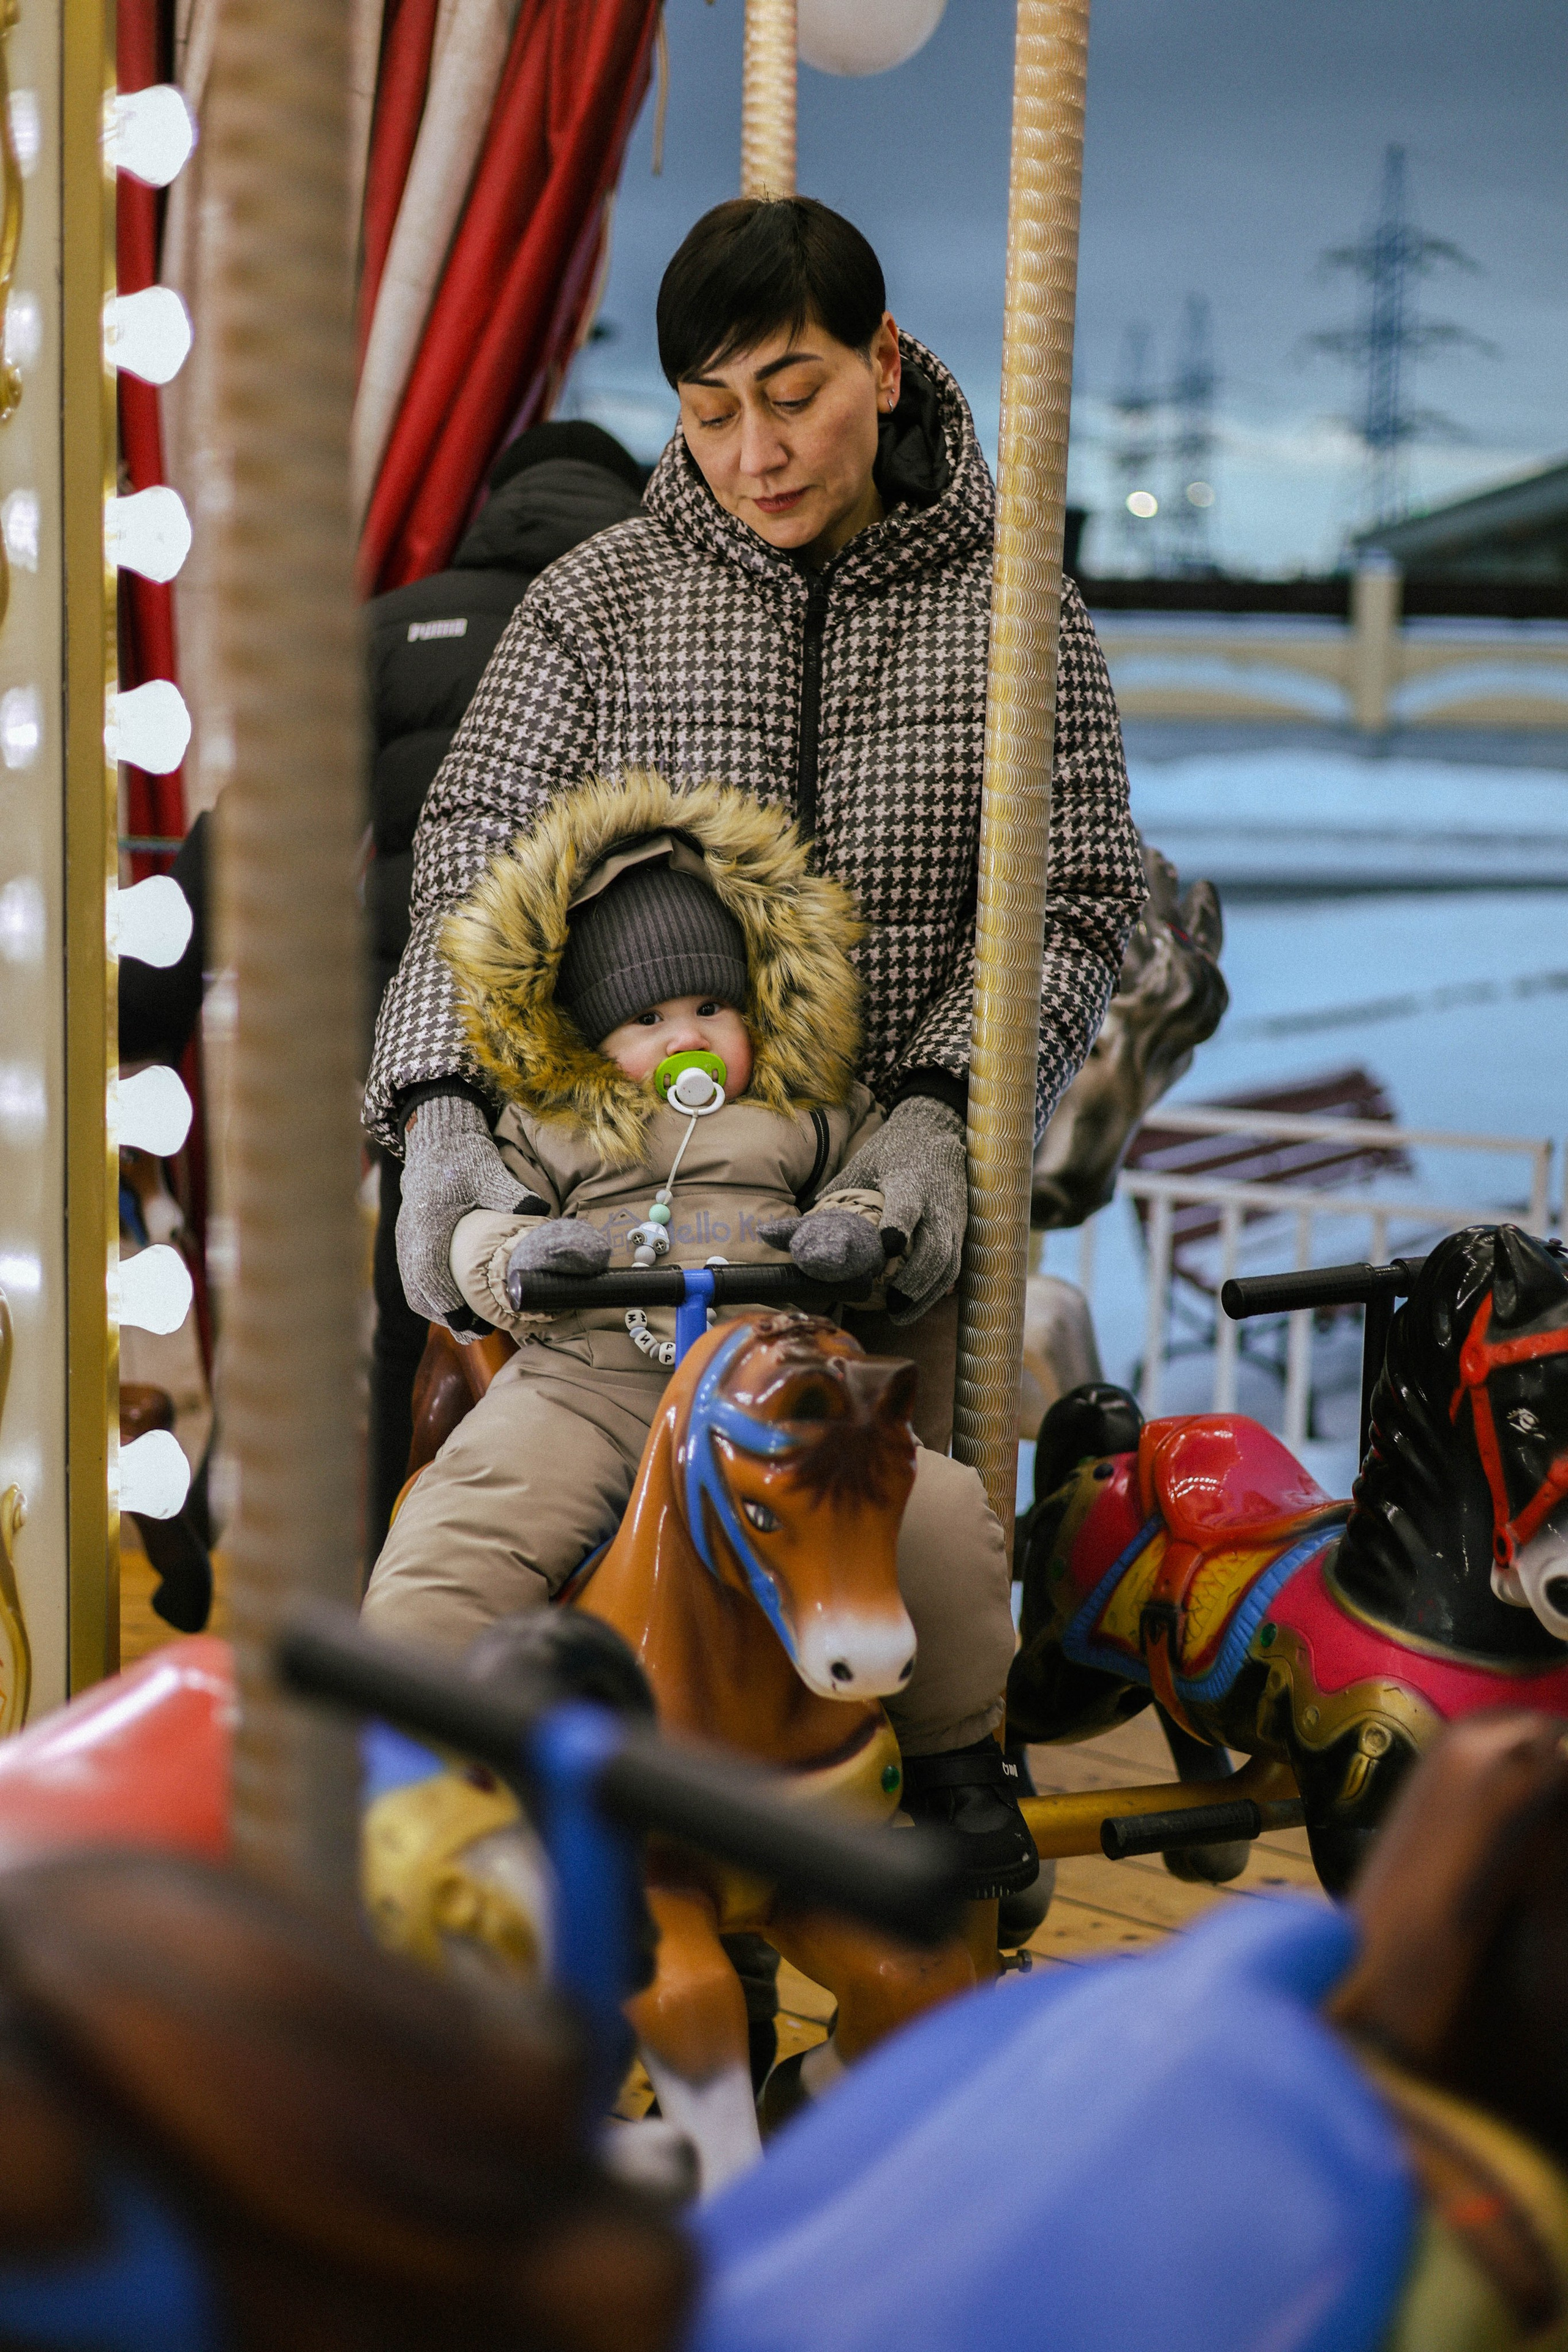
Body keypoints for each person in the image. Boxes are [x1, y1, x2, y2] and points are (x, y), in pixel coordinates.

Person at [364, 195, 1146, 1458]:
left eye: (791, 396)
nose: (755, 455)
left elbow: (1080, 899)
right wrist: (441, 1108)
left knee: (907, 1585)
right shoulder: (594, 603)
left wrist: (942, 1110)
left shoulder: (1018, 613)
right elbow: (470, 848)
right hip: (632, 1229)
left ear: (882, 363)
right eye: (711, 412)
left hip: (892, 1243)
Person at [362, 776, 1031, 1899]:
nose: (688, 1037)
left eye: (712, 1011)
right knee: (463, 1528)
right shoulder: (553, 1121)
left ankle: (957, 1758)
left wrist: (855, 1231)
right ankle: (415, 1761)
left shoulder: (810, 1105)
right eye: (648, 1020)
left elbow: (876, 1179)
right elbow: (477, 1222)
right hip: (594, 1381)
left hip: (771, 1376)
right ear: (588, 1035)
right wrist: (520, 1254)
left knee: (940, 1513)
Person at [364, 420, 647, 1557]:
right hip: (607, 1044)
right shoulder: (647, 622)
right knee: (604, 1333)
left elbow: (269, 825)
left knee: (421, 1316)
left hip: (409, 1030)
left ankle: (396, 1574)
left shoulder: (395, 625)